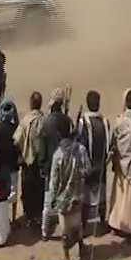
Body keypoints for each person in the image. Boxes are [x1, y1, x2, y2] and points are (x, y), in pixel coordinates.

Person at [48, 122, 91, 260]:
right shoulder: (81, 149)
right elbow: (88, 170)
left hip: (63, 200)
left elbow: (54, 181)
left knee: (65, 230)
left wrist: (52, 199)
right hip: (77, 196)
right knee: (77, 225)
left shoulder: (57, 155)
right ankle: (81, 248)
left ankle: (67, 259)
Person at [108, 88, 131, 237]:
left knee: (119, 196)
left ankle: (116, 224)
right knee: (130, 199)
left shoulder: (118, 121)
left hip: (120, 165)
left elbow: (113, 142)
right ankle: (130, 227)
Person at [40, 87, 73, 239]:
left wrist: (42, 165)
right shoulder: (67, 120)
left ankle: (45, 231)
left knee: (48, 201)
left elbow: (43, 146)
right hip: (65, 163)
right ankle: (65, 228)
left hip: (51, 165)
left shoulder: (46, 121)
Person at [77, 90, 110, 234]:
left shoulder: (84, 122)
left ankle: (84, 225)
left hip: (88, 165)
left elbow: (80, 143)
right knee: (101, 195)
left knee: (86, 197)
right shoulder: (105, 122)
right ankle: (102, 222)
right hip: (101, 164)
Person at [13, 91, 45, 229]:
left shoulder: (25, 120)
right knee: (39, 190)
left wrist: (23, 151)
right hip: (40, 162)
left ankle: (29, 216)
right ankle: (38, 216)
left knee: (27, 190)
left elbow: (16, 139)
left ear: (31, 104)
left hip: (28, 162)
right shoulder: (44, 120)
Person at [0, 98, 20, 243]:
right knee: (13, 195)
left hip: (1, 167)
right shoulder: (16, 128)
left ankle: (5, 220)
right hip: (13, 166)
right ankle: (13, 218)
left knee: (3, 197)